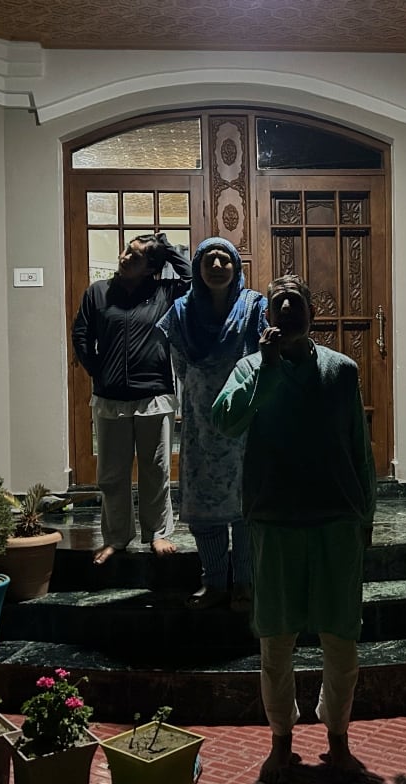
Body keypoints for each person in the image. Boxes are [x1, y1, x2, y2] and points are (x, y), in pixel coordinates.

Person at [212, 274, 375, 784]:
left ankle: (338, 737)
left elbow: (359, 448)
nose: (286, 306)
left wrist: (365, 514)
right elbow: (226, 421)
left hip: (336, 519)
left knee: (341, 640)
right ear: (267, 317)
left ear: (311, 314)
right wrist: (266, 368)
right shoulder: (250, 368)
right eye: (277, 301)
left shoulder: (341, 371)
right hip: (275, 519)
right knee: (276, 642)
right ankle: (280, 740)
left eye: (295, 300)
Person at [157, 237, 267, 612]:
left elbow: (266, 355)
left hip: (246, 419)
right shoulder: (181, 311)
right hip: (202, 422)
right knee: (206, 508)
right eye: (209, 260)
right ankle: (215, 582)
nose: (217, 266)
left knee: (245, 505)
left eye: (224, 259)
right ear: (198, 268)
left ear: (236, 267)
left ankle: (246, 583)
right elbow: (179, 364)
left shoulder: (253, 307)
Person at [71, 232, 192, 564]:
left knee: (155, 470)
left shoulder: (164, 292)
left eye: (136, 257)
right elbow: (81, 333)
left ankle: (158, 533)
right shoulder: (98, 292)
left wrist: (166, 248)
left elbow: (193, 280)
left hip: (154, 394)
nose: (125, 257)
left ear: (150, 268)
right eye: (127, 250)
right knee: (112, 474)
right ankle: (115, 538)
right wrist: (98, 371)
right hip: (110, 398)